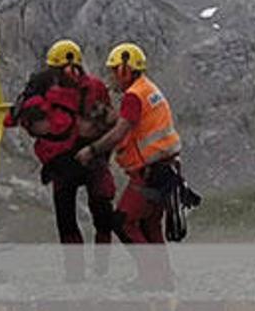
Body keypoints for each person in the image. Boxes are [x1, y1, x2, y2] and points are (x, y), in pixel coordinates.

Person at [75, 42, 180, 288]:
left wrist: (92, 149)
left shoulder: (134, 95)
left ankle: (150, 278)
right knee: (150, 224)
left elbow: (122, 129)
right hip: (166, 167)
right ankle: (164, 278)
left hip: (149, 172)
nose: (113, 76)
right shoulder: (148, 89)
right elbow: (132, 121)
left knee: (123, 221)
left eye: (115, 70)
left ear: (125, 69)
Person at [9, 39, 117, 246]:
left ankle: (89, 268)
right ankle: (82, 270)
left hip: (79, 159)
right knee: (72, 218)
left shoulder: (55, 91)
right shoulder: (48, 91)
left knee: (96, 213)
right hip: (72, 161)